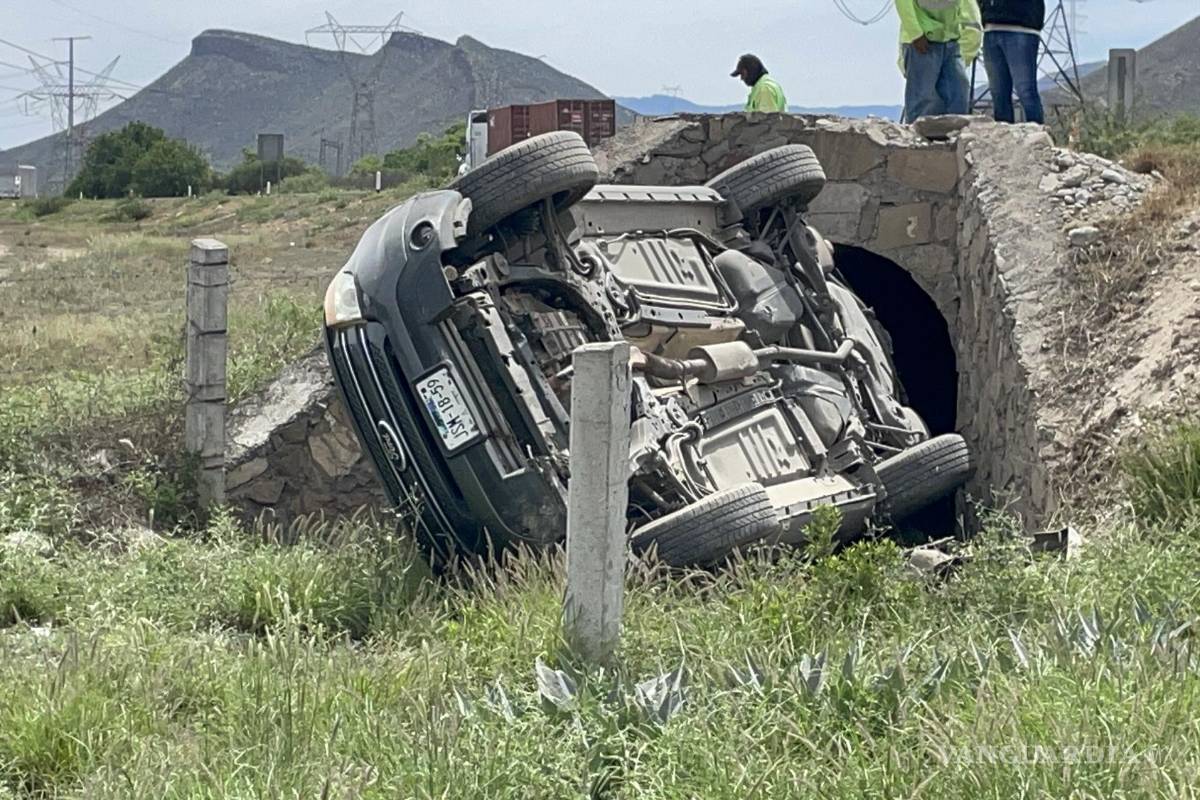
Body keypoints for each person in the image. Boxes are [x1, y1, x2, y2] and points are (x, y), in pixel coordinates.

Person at [894, 0, 982, 123]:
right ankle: (916, 132)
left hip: (950, 39)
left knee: (959, 91)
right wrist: (915, 34)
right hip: (923, 41)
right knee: (922, 99)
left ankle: (956, 131)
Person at [980, 0, 1045, 123]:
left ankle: (1037, 133)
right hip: (991, 28)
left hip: (1022, 26)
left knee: (1026, 91)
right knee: (998, 93)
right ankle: (1004, 134)